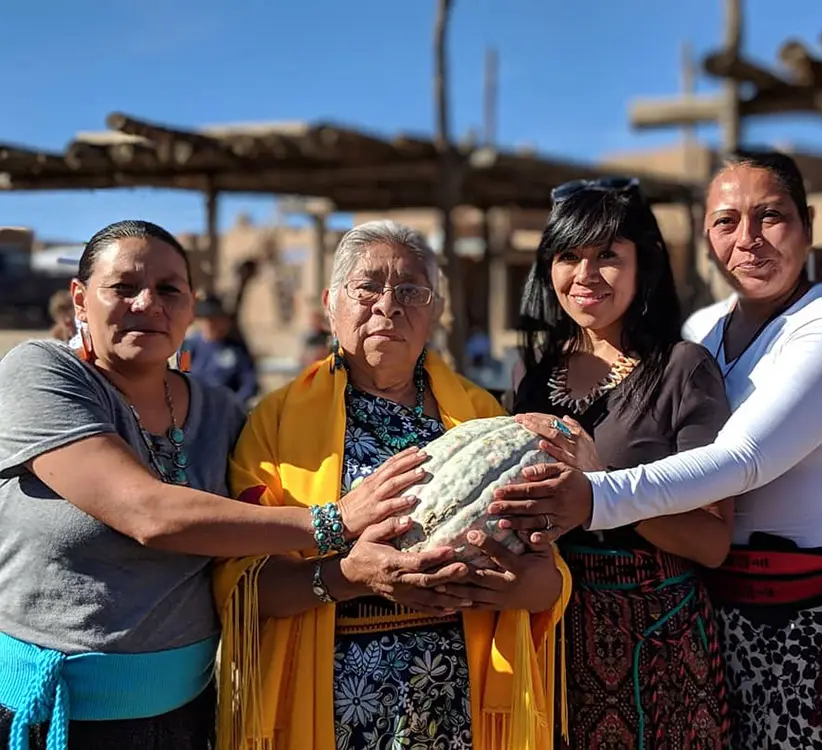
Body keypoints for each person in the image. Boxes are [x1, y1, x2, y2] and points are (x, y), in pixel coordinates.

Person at [490, 152, 822, 749]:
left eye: (770, 216)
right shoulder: (703, 327)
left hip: (803, 616)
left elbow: (742, 461)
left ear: (808, 224)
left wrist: (596, 487)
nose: (748, 239)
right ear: (705, 236)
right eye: (726, 222)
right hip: (696, 608)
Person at [0, 220, 384, 750]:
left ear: (190, 306)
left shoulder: (219, 411)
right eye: (123, 287)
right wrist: (334, 521)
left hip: (192, 716)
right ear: (80, 299)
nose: (146, 303)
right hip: (55, 720)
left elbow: (254, 536)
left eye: (168, 290)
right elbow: (148, 514)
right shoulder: (39, 374)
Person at [213, 219, 571, 750]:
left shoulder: (481, 415)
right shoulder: (276, 422)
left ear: (436, 312)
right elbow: (241, 588)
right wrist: (346, 577)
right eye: (368, 286)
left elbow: (549, 579)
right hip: (332, 705)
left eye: (410, 290)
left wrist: (503, 582)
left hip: (459, 701)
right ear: (331, 303)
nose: (388, 304)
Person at [511, 177, 732, 748]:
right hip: (549, 632)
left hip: (655, 646)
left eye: (607, 254)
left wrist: (600, 489)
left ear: (644, 264)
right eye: (568, 256)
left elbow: (712, 540)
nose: (585, 275)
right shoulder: (533, 377)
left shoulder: (684, 371)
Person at [184, 294, 259, 406]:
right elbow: (181, 374)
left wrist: (234, 402)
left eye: (215, 320)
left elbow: (249, 382)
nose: (211, 325)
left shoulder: (237, 349)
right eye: (207, 320)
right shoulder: (187, 347)